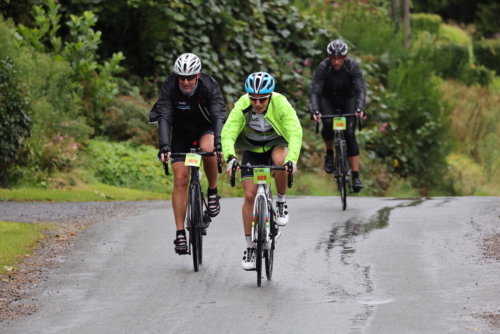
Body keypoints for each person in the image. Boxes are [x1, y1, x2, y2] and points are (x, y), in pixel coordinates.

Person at [221, 72, 302, 270]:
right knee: (249, 196)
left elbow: (294, 130)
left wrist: (292, 159)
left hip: (276, 145)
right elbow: (229, 131)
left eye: (262, 99)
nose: (257, 103)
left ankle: (281, 200)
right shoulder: (242, 104)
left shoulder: (280, 102)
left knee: (281, 161)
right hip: (252, 149)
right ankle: (250, 246)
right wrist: (230, 157)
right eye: (253, 98)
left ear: (270, 95)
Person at [149, 53, 226, 254]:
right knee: (180, 179)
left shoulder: (209, 85)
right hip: (181, 132)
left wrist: (219, 144)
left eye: (189, 77)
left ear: (198, 75)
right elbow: (164, 116)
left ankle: (212, 191)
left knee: (208, 150)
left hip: (205, 128)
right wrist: (164, 146)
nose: (185, 82)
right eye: (181, 77)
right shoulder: (170, 86)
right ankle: (180, 233)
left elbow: (218, 114)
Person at [309, 39, 367, 192]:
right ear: (329, 57)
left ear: (345, 57)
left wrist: (360, 108)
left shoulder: (352, 66)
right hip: (328, 99)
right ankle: (329, 154)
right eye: (333, 58)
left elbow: (360, 89)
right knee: (327, 124)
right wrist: (315, 110)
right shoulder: (323, 67)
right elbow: (315, 90)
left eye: (339, 58)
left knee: (349, 134)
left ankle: (355, 177)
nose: (336, 62)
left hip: (348, 99)